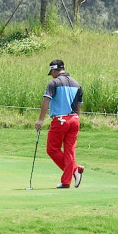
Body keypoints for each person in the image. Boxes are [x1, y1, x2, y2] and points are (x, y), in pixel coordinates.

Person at [35, 59, 84, 189]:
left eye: (51, 72)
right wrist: (76, 119)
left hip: (60, 120)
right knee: (69, 151)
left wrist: (40, 120)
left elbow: (46, 101)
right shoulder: (77, 84)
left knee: (52, 149)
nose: (51, 74)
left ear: (54, 70)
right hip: (74, 120)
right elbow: (79, 106)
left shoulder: (54, 83)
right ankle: (67, 181)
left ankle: (74, 170)